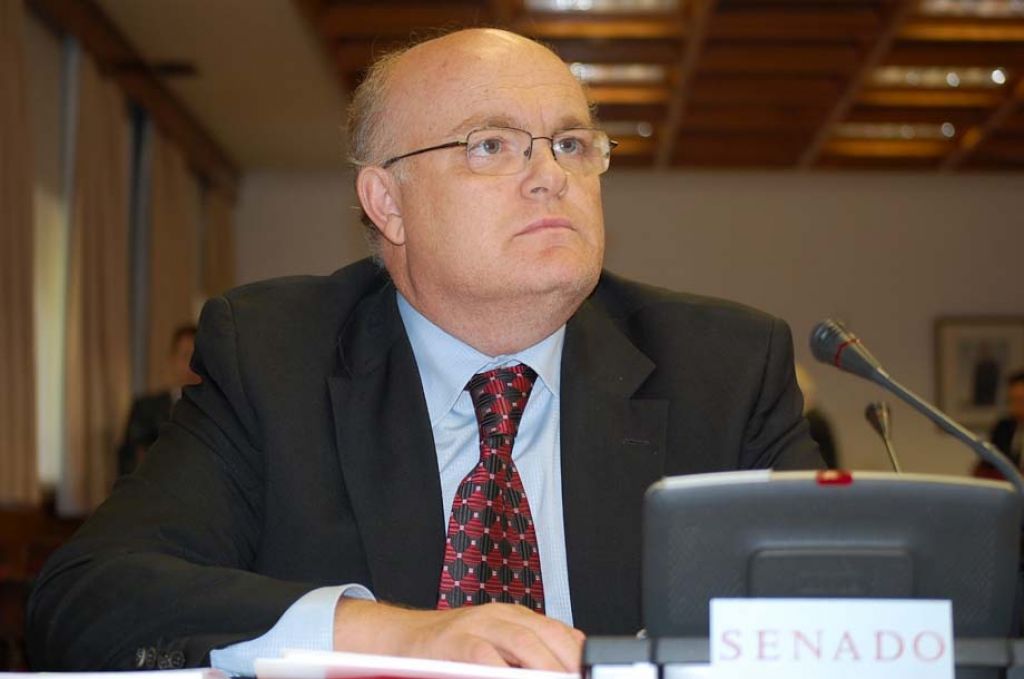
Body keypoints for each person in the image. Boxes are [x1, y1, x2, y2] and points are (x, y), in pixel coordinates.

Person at [27, 28, 821, 674]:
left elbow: (842, 613)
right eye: (491, 144)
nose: (551, 176)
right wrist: (397, 636)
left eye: (573, 144)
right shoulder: (274, 357)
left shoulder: (724, 367)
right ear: (387, 203)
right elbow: (89, 598)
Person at [117, 324, 201, 476]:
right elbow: (129, 462)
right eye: (185, 356)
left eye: (196, 359)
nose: (191, 366)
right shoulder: (145, 409)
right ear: (172, 360)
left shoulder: (216, 411)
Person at [974, 370, 1024, 479]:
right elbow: (987, 464)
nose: (1016, 406)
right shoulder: (1003, 427)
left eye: (1020, 400)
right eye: (1012, 400)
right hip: (1007, 486)